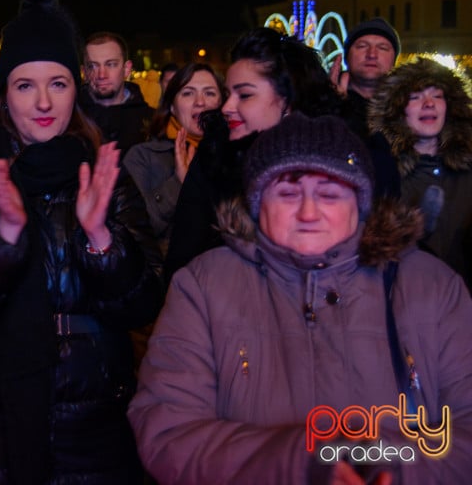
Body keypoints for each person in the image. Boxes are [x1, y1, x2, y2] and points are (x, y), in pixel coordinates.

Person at [128, 112, 472, 485]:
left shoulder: (431, 286)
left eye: (329, 194)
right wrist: (301, 461)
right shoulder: (204, 285)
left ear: (361, 204)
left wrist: (376, 464)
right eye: (288, 193)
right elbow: (168, 430)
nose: (308, 212)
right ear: (259, 204)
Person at [0, 0, 163, 484]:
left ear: (77, 88)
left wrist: (100, 240)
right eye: (26, 85)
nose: (45, 102)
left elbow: (143, 303)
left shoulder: (103, 171)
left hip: (94, 421)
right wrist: (3, 239)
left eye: (58, 83)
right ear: (4, 93)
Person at [163, 27, 344, 279]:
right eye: (228, 94)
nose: (226, 107)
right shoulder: (214, 155)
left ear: (289, 101)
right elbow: (181, 263)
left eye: (245, 95)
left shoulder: (338, 162)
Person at [369, 57, 472, 288]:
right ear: (397, 110)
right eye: (415, 97)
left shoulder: (467, 171)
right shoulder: (381, 173)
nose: (428, 103)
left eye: (437, 95)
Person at [123, 62, 225, 261]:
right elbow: (132, 232)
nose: (200, 102)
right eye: (188, 93)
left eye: (210, 93)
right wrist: (178, 183)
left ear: (222, 103)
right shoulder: (143, 157)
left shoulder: (234, 157)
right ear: (172, 106)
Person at [79, 31, 155, 158]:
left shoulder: (152, 120)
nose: (102, 75)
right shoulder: (69, 119)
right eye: (92, 66)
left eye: (111, 64)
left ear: (126, 69)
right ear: (84, 72)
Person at [331, 17, 400, 140]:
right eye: (362, 46)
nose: (372, 54)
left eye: (382, 48)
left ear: (394, 60)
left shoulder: (408, 107)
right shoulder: (319, 101)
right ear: (346, 57)